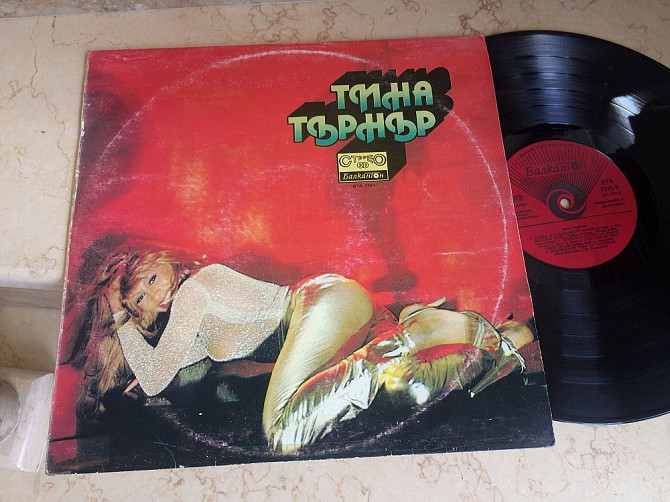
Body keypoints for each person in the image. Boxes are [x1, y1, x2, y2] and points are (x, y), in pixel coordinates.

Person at [68, 244, 534, 453]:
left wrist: (118, 315)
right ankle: (500, 345)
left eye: (153, 278)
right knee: (404, 388)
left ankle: (417, 330)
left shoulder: (194, 291)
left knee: (285, 430)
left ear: (167, 262)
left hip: (324, 303)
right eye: (140, 300)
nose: (156, 295)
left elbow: (154, 377)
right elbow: (165, 375)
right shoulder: (189, 319)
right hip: (336, 318)